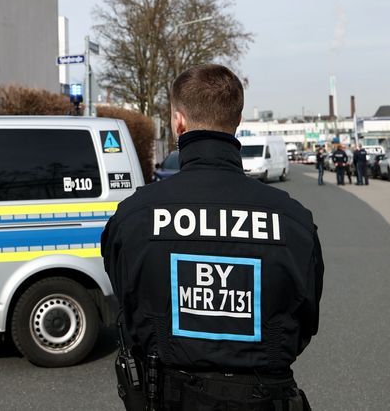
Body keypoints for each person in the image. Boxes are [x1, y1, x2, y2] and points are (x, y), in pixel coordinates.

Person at [102, 64, 323, 410]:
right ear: (237, 121)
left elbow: (127, 308)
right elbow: (305, 320)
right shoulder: (292, 220)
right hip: (265, 398)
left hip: (167, 398)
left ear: (178, 121)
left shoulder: (134, 217)